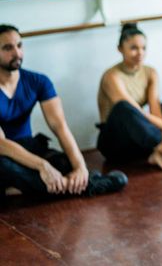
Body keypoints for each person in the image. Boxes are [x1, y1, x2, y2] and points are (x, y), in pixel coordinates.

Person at [0, 24, 127, 198]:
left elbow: (60, 126)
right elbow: (2, 144)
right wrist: (42, 166)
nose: (17, 53)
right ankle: (90, 185)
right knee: (5, 168)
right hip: (4, 154)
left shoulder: (39, 81)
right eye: (8, 48)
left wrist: (80, 167)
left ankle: (23, 190)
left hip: (29, 146)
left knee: (63, 163)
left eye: (19, 45)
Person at [97, 23, 162, 171]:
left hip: (141, 140)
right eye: (133, 48)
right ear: (120, 49)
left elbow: (155, 110)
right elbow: (135, 112)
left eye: (143, 48)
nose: (140, 53)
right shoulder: (111, 76)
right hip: (116, 144)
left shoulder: (150, 72)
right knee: (123, 107)